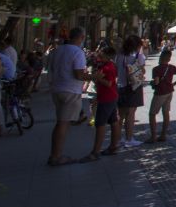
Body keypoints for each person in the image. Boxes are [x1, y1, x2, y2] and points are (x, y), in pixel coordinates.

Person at [47, 28, 88, 165]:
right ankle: (56, 156)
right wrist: (95, 76)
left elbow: (50, 69)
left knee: (60, 122)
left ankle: (55, 154)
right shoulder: (77, 52)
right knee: (63, 124)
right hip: (70, 90)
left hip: (57, 89)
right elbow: (78, 74)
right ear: (81, 37)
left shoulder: (57, 51)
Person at [81, 44, 121, 161]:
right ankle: (113, 146)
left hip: (106, 98)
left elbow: (108, 83)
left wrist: (97, 78)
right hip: (111, 96)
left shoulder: (107, 67)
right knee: (113, 121)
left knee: (100, 124)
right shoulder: (108, 65)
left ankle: (95, 152)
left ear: (107, 55)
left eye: (101, 52)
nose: (98, 53)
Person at [114, 35, 146, 148]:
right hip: (134, 86)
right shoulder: (139, 56)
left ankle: (117, 139)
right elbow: (142, 70)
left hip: (120, 85)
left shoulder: (120, 55)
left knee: (120, 114)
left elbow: (116, 70)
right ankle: (129, 138)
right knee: (131, 114)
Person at [147, 49, 176, 143]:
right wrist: (173, 84)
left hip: (160, 93)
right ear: (169, 59)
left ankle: (153, 136)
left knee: (152, 114)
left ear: (161, 58)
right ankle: (163, 135)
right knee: (166, 112)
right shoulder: (171, 67)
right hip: (169, 92)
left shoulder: (156, 69)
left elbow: (156, 82)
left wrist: (152, 83)